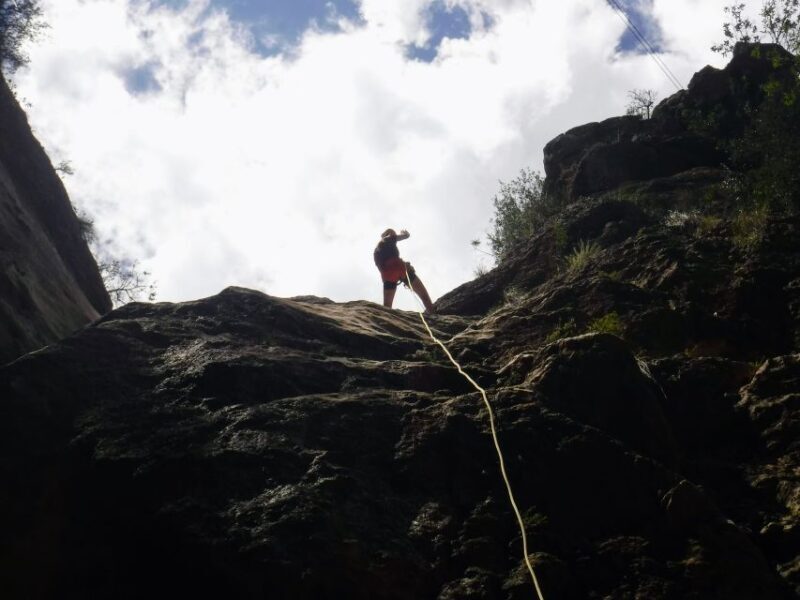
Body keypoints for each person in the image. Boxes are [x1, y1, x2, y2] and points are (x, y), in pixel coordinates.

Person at [373, 228, 435, 312]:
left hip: (387, 274)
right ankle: (432, 311)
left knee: (387, 307)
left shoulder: (376, 251)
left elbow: (381, 268)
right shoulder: (390, 238)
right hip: (400, 267)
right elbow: (405, 236)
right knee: (424, 296)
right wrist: (404, 233)